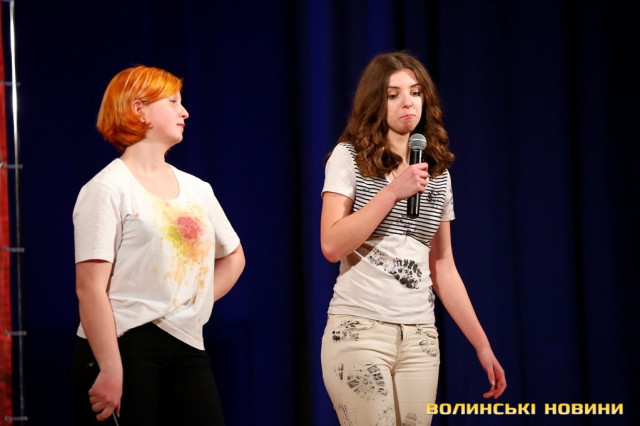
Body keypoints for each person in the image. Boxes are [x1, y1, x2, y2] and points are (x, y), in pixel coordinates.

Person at [320, 51, 506, 425]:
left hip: (420, 338)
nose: (407, 102)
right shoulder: (349, 157)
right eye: (393, 95)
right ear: (376, 102)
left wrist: (481, 344)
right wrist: (392, 193)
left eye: (415, 92)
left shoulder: (437, 174)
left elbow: (443, 267)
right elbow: (332, 244)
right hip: (360, 331)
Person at [70, 65, 245, 425]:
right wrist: (110, 367)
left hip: (186, 343)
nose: (185, 112)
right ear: (139, 110)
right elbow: (90, 288)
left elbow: (233, 257)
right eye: (173, 102)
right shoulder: (106, 189)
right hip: (124, 343)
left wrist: (188, 301)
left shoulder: (197, 189)